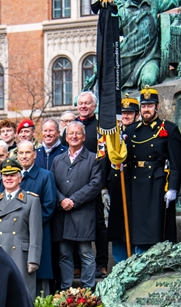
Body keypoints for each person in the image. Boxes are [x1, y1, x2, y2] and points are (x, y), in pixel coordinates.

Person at [124, 86, 181, 251]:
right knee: (138, 227)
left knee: (156, 228)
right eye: (143, 106)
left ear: (157, 107)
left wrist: (173, 188)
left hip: (157, 184)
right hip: (136, 183)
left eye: (150, 106)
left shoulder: (168, 129)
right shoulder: (131, 131)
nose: (146, 109)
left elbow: (176, 163)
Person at [52, 121, 105, 289]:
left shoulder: (93, 159)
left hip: (83, 214)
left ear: (84, 137)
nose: (74, 136)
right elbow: (51, 185)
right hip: (62, 214)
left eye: (78, 133)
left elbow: (95, 185)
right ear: (66, 137)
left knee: (86, 253)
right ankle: (66, 290)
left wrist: (73, 200)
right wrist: (61, 200)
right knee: (64, 254)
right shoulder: (57, 160)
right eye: (71, 133)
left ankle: (88, 290)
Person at [0, 157, 43, 294]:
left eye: (12, 175)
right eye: (5, 175)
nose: (8, 178)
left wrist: (33, 259)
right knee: (0, 294)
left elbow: (35, 233)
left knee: (22, 294)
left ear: (20, 178)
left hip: (21, 256)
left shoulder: (31, 200)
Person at [75, 91, 109, 277]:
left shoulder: (100, 128)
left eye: (87, 103)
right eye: (80, 103)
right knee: (74, 224)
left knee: (99, 224)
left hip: (95, 184)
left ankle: (101, 263)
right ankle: (77, 264)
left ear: (94, 106)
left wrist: (101, 184)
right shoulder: (72, 127)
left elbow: (104, 157)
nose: (83, 106)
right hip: (74, 185)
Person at [17, 141, 58, 293]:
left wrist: (27, 223)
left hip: (38, 232)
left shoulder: (45, 176)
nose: (24, 156)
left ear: (34, 154)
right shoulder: (11, 176)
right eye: (21, 153)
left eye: (28, 152)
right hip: (16, 236)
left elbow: (49, 206)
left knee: (39, 278)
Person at [106, 96, 140, 264]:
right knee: (117, 226)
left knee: (134, 225)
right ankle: (120, 262)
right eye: (123, 113)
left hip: (134, 184)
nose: (125, 116)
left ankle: (134, 259)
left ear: (137, 115)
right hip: (116, 184)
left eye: (129, 113)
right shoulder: (113, 133)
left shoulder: (139, 133)